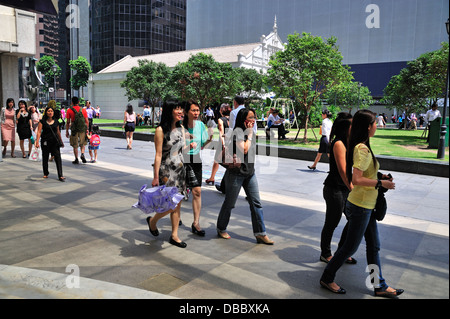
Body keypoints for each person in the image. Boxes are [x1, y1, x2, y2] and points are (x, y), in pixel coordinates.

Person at [320, 109, 403, 298]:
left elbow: (363, 173)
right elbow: (356, 179)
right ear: (368, 127)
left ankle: (378, 284)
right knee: (350, 247)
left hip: (367, 206)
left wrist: (379, 175)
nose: (377, 126)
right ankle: (327, 276)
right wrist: (381, 183)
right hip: (360, 206)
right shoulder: (362, 149)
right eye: (375, 123)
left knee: (374, 247)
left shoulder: (360, 146)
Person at [216, 108, 274, 245]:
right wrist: (249, 134)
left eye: (254, 117)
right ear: (244, 120)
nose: (253, 120)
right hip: (236, 174)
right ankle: (221, 227)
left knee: (256, 203)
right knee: (230, 204)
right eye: (250, 118)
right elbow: (245, 149)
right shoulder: (238, 133)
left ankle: (260, 233)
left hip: (250, 173)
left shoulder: (250, 132)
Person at [147, 99, 187, 248]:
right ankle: (153, 221)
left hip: (180, 170)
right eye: (177, 109)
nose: (181, 112)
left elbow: (182, 150)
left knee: (177, 204)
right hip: (166, 170)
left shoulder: (181, 128)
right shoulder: (160, 130)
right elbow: (158, 154)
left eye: (181, 109)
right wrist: (156, 176)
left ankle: (174, 235)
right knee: (172, 203)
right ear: (169, 111)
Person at [320, 112, 356, 264]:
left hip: (345, 188)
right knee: (332, 222)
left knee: (353, 219)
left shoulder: (349, 143)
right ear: (344, 128)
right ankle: (325, 253)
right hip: (335, 188)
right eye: (352, 126)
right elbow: (343, 170)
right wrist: (353, 187)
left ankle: (342, 251)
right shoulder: (338, 143)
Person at [183, 100, 213, 237]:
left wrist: (210, 137)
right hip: (181, 161)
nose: (196, 113)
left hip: (195, 160)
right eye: (193, 110)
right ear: (186, 112)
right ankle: (174, 216)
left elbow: (204, 142)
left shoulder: (200, 125)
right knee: (176, 193)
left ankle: (196, 223)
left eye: (197, 110)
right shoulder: (179, 127)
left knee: (197, 192)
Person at [35, 106, 65, 182]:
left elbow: (58, 132)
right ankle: (45, 173)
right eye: (48, 111)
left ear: (53, 112)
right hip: (45, 142)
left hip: (55, 142)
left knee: (58, 158)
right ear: (46, 112)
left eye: (51, 111)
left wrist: (61, 141)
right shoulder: (42, 121)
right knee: (45, 157)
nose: (50, 112)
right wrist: (37, 141)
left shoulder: (56, 121)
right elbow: (39, 132)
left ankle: (60, 175)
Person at [206, 103, 231, 185]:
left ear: (221, 110)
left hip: (223, 142)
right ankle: (213, 178)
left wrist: (223, 144)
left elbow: (221, 132)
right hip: (231, 141)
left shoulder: (220, 119)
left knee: (217, 160)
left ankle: (212, 178)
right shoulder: (231, 119)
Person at [66, 96, 89, 164]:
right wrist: (86, 129)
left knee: (75, 144)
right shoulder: (83, 110)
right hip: (82, 129)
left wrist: (67, 131)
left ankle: (76, 158)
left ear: (72, 102)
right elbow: (87, 121)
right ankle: (82, 154)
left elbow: (67, 122)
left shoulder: (69, 110)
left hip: (74, 129)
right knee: (82, 143)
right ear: (78, 102)